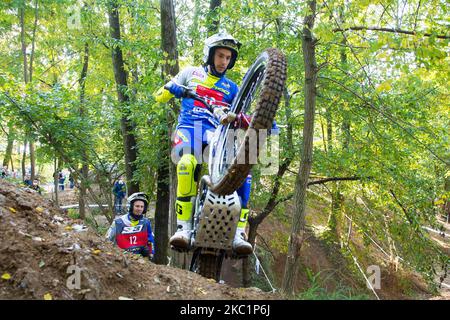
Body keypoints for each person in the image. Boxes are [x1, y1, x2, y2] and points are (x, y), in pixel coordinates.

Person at [154, 31, 253, 255]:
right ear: (210, 55)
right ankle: (183, 228)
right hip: (189, 129)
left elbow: (242, 116)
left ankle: (238, 233)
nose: (223, 62)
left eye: (228, 58)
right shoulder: (190, 73)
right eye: (220, 56)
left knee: (244, 173)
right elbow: (159, 96)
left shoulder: (232, 88)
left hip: (217, 136)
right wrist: (171, 89)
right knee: (186, 164)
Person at [106, 192, 155, 260]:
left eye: (142, 207)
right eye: (137, 206)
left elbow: (151, 240)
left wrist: (150, 253)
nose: (140, 209)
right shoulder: (118, 222)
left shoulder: (146, 222)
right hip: (121, 259)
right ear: (131, 206)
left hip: (141, 260)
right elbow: (107, 241)